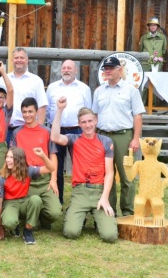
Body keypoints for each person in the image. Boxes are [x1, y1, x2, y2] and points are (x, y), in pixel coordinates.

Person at [51, 98, 118, 243]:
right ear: (79, 124)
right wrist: (59, 110)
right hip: (80, 191)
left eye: (90, 121)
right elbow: (55, 137)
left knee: (110, 236)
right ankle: (75, 212)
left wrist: (105, 198)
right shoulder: (73, 139)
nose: (87, 125)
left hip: (99, 191)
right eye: (83, 122)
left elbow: (110, 172)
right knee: (71, 233)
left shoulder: (106, 141)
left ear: (96, 121)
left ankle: (98, 216)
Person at [92, 56, 145, 217]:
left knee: (126, 176)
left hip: (123, 136)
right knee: (106, 174)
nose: (107, 71)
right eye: (105, 69)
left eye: (111, 68)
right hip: (103, 136)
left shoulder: (131, 90)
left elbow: (137, 116)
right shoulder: (99, 91)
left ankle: (128, 212)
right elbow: (94, 115)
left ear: (119, 70)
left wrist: (135, 139)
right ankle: (110, 210)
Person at [45, 59, 92, 204]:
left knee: (80, 167)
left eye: (69, 68)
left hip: (77, 131)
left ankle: (79, 201)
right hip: (56, 131)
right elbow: (47, 111)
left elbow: (88, 110)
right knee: (56, 168)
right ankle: (57, 201)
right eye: (64, 68)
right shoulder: (52, 88)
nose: (66, 70)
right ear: (61, 70)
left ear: (76, 71)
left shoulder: (84, 88)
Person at [10, 97, 61, 229]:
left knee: (55, 212)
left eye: (30, 111)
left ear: (37, 112)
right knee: (24, 208)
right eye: (24, 112)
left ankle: (43, 217)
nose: (27, 115)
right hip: (26, 178)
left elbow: (53, 156)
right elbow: (12, 158)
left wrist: (53, 179)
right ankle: (31, 217)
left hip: (44, 179)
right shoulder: (17, 133)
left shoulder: (46, 131)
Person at [0, 147, 55, 245]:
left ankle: (28, 230)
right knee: (9, 223)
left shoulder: (28, 171)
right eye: (7, 157)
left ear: (19, 160)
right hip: (10, 203)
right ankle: (14, 226)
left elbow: (51, 168)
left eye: (11, 157)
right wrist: (0, 225)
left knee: (36, 199)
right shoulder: (2, 177)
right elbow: (0, 202)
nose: (8, 160)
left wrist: (43, 156)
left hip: (24, 201)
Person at [0, 47, 48, 145]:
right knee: (7, 158)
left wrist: (39, 129)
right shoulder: (2, 79)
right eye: (16, 58)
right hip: (6, 129)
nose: (19, 60)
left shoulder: (36, 81)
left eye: (22, 58)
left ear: (27, 60)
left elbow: (42, 106)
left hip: (27, 128)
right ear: (12, 60)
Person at [139, 17, 168, 103]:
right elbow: (141, 49)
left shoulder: (162, 37)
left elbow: (164, 50)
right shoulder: (144, 37)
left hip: (157, 63)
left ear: (157, 27)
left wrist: (158, 57)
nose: (152, 27)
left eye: (154, 25)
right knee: (143, 83)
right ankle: (142, 104)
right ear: (149, 27)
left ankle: (153, 105)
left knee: (155, 83)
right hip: (145, 63)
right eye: (151, 25)